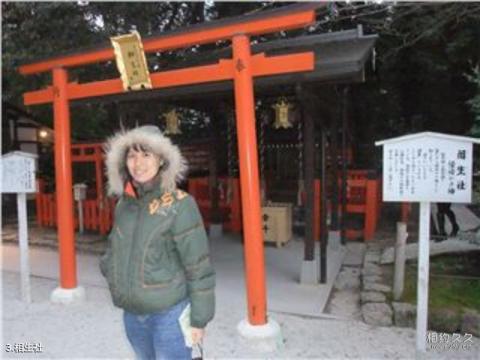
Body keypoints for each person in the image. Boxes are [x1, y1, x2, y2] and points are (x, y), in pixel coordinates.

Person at [100, 125, 215, 360]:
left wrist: (199, 320)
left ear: (161, 159)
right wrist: (112, 272)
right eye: (132, 155)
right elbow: (114, 249)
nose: (138, 163)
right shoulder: (125, 204)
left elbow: (199, 266)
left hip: (169, 315)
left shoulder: (180, 204)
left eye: (146, 155)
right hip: (132, 314)